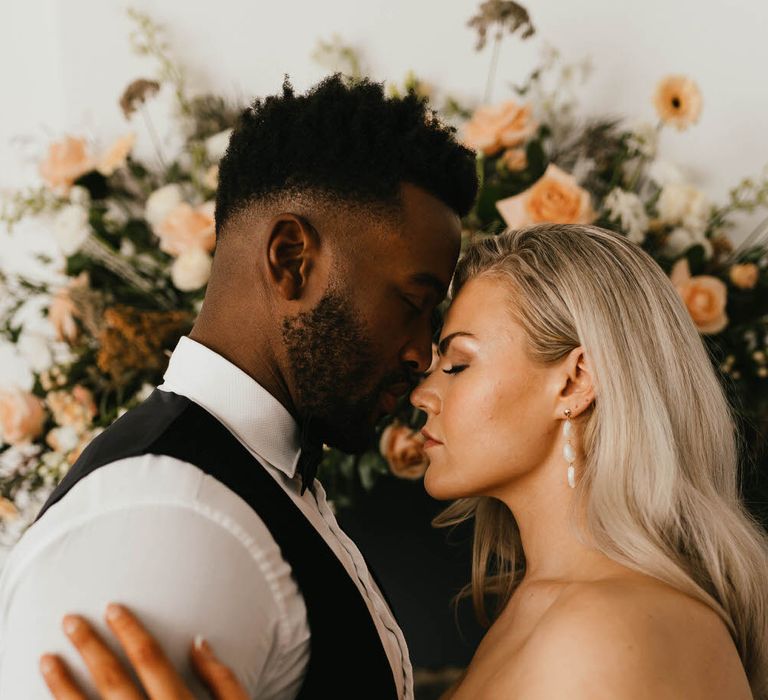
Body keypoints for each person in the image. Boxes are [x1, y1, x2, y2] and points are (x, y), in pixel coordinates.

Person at [40, 224, 768, 699]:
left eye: (458, 364)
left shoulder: (617, 628)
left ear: (573, 381)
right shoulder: (539, 607)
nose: (422, 391)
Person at [0, 74, 478, 699]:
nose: (421, 352)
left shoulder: (262, 476)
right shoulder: (167, 523)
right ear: (290, 258)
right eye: (413, 302)